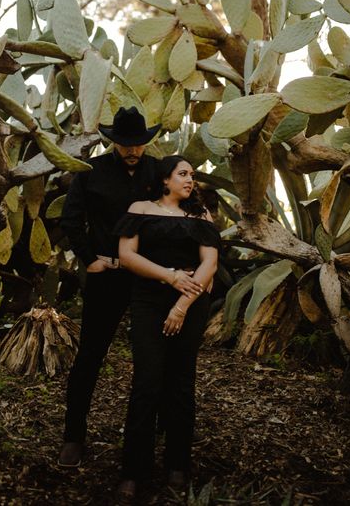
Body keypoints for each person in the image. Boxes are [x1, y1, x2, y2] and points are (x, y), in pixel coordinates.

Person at [58, 109, 202, 468]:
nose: (132, 150)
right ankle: (73, 435)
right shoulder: (91, 172)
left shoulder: (158, 171)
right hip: (108, 273)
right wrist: (89, 258)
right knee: (90, 355)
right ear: (113, 141)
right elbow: (71, 219)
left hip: (152, 278)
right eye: (125, 144)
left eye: (138, 143)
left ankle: (164, 430)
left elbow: (185, 207)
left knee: (160, 358)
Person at [114, 155, 221, 501]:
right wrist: (169, 276)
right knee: (147, 381)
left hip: (190, 304)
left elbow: (210, 262)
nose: (190, 179)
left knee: (181, 382)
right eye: (183, 174)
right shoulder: (141, 209)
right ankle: (133, 470)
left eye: (192, 174)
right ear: (164, 180)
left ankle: (178, 464)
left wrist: (182, 304)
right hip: (148, 300)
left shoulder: (200, 215)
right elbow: (128, 256)